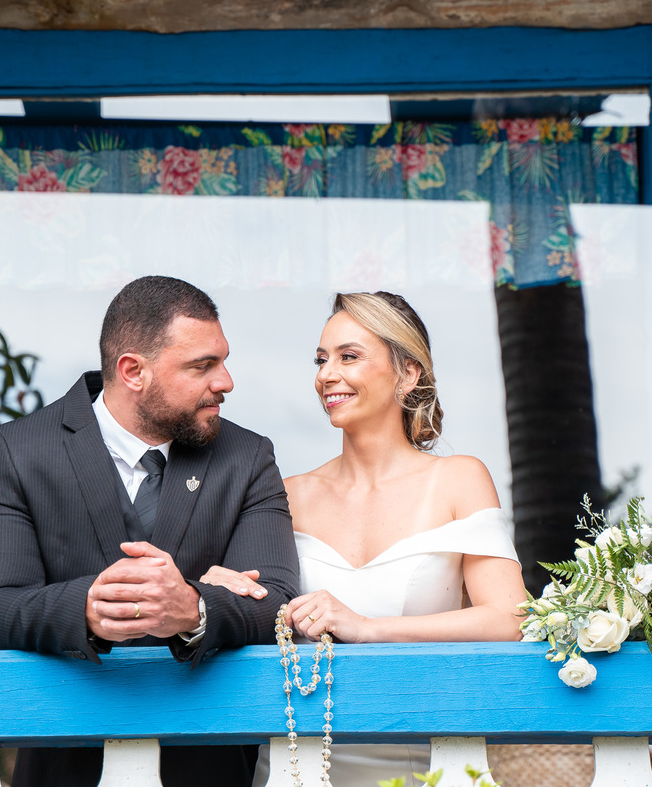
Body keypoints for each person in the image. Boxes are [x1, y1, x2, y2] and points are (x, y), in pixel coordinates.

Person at [0, 275, 300, 787]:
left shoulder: (248, 457)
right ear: (133, 371)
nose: (226, 382)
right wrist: (88, 609)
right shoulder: (17, 451)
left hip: (209, 769)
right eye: (202, 366)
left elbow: (277, 602)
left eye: (223, 361)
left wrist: (194, 606)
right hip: (65, 766)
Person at [205, 291, 525, 787]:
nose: (326, 375)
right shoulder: (285, 493)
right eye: (321, 360)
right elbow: (256, 609)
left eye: (348, 356)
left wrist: (366, 628)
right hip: (297, 762)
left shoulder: (459, 479)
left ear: (408, 372)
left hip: (420, 759)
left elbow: (509, 618)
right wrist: (220, 590)